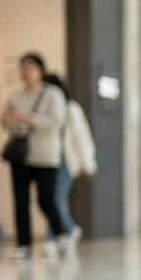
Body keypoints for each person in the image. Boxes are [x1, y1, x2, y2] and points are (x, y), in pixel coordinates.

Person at [1, 53, 68, 260]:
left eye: (30, 67)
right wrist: (10, 119)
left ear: (41, 70)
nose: (25, 71)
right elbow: (5, 121)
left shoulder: (53, 94)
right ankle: (23, 244)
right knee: (20, 201)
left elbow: (56, 122)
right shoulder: (15, 95)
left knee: (45, 199)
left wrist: (27, 118)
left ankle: (62, 233)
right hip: (20, 155)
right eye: (22, 67)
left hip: (46, 155)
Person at [43, 73, 96, 254]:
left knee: (55, 199)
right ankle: (65, 233)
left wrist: (89, 162)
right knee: (49, 200)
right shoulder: (43, 112)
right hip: (46, 160)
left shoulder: (71, 109)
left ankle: (59, 235)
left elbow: (82, 137)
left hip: (65, 161)